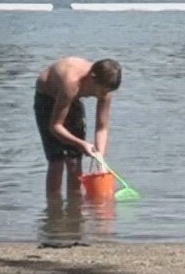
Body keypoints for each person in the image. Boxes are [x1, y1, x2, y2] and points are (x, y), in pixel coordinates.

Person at [34, 57, 121, 197]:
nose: (104, 96)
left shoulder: (106, 88)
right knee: (57, 160)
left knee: (75, 160)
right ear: (92, 78)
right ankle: (54, 209)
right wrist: (81, 144)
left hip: (72, 98)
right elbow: (55, 126)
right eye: (102, 92)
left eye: (107, 92)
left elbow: (102, 127)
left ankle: (75, 207)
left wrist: (100, 159)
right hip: (47, 96)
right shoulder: (71, 82)